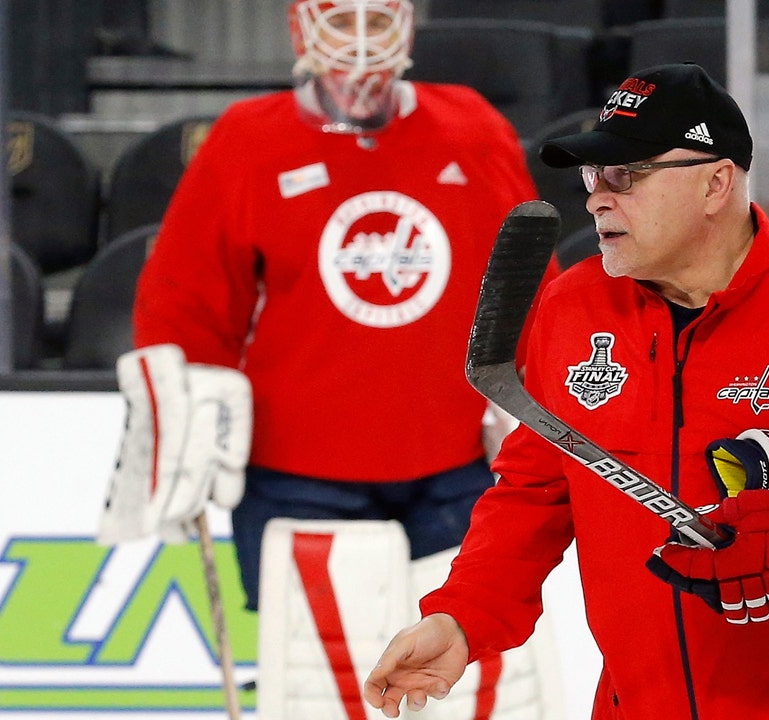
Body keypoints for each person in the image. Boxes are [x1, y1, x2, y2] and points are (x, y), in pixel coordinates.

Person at [364, 62, 769, 719]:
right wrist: (463, 618)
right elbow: (536, 490)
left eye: (624, 176)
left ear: (716, 183)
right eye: (592, 177)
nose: (596, 198)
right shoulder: (573, 307)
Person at [127, 0, 537, 613]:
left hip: (454, 470)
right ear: (302, 29)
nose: (363, 42)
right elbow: (187, 303)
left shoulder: (472, 127)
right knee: (314, 685)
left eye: (378, 21)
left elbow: (526, 284)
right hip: (294, 476)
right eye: (344, 22)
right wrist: (186, 427)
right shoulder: (247, 138)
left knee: (449, 690)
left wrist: (526, 403)